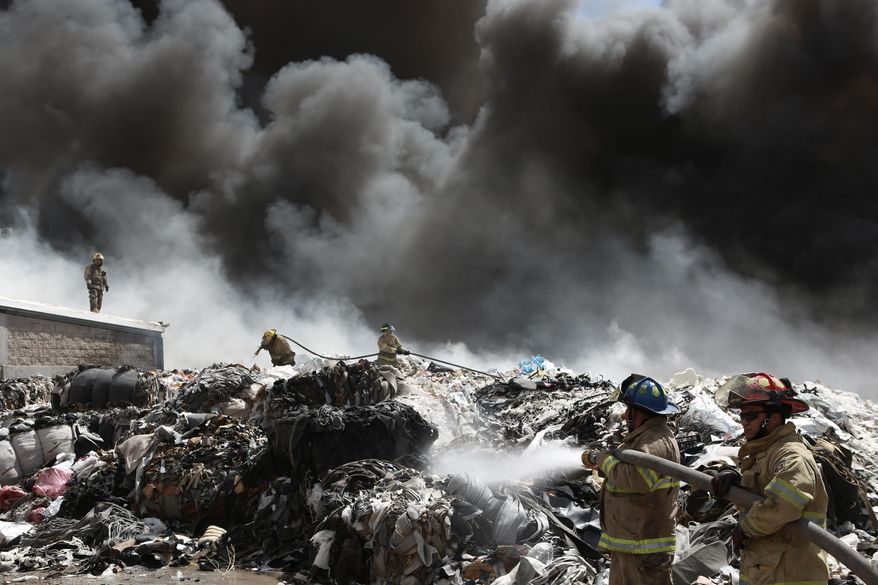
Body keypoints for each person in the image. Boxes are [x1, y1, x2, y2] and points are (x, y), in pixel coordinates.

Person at [711, 372, 829, 585]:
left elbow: (783, 506)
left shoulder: (791, 455)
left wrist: (745, 529)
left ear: (772, 418)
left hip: (790, 574)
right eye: (742, 416)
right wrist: (736, 480)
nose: (743, 422)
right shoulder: (767, 453)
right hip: (768, 570)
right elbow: (761, 493)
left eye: (750, 416)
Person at [582, 374, 681, 585]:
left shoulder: (654, 440)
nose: (625, 415)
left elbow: (636, 479)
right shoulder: (646, 437)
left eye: (628, 410)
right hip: (633, 544)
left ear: (638, 412)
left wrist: (604, 461)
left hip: (643, 549)